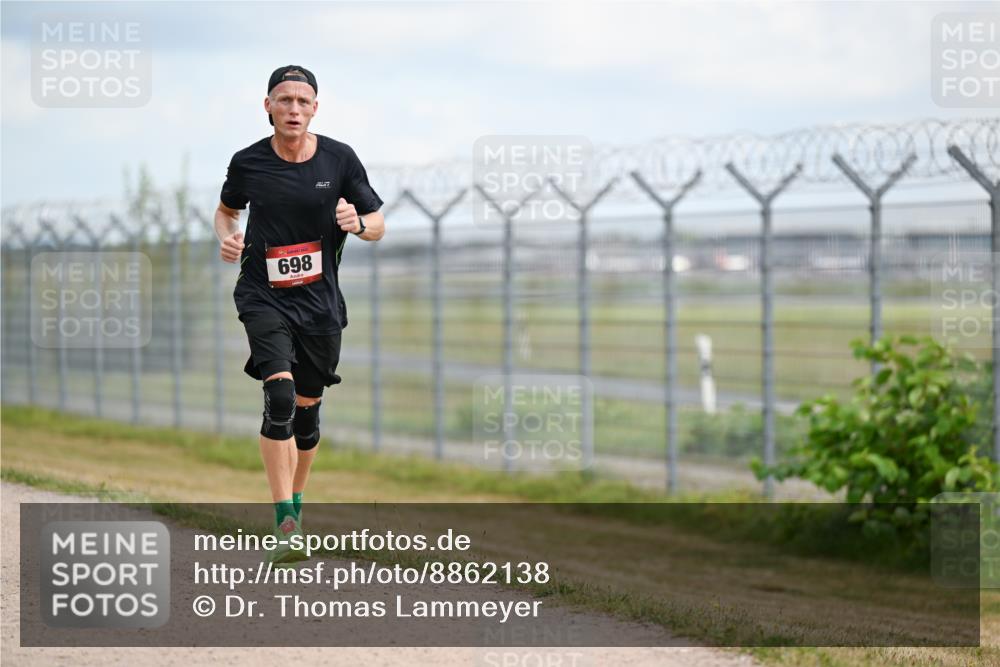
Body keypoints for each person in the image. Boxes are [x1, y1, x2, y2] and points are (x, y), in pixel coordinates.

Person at [214, 65, 385, 563]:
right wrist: (226, 235)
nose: (293, 109)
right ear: (267, 106)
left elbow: (378, 222)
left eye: (303, 101)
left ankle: (298, 501)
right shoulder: (248, 162)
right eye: (284, 100)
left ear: (315, 109)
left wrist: (360, 223)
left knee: (306, 416)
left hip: (320, 305)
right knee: (281, 397)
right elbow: (227, 210)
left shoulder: (339, 158)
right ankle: (284, 521)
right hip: (262, 295)